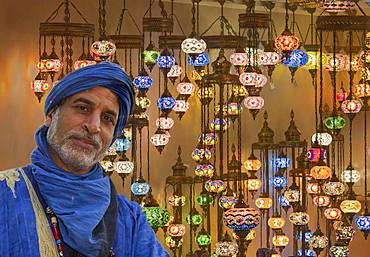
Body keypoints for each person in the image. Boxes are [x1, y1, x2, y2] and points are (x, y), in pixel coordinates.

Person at [0, 61, 170, 257]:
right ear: (51, 114)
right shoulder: (6, 193)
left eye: (108, 118)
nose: (94, 126)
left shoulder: (130, 220)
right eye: (82, 108)